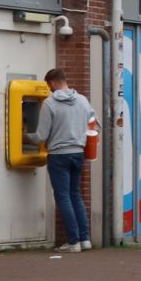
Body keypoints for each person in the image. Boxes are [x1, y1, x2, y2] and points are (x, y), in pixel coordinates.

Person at [33, 68, 96, 252]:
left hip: (59, 155)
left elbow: (41, 135)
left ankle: (73, 241)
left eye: (48, 85)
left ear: (52, 83)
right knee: (75, 195)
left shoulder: (49, 103)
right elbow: (95, 123)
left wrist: (25, 136)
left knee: (63, 197)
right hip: (78, 153)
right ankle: (85, 240)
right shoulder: (83, 100)